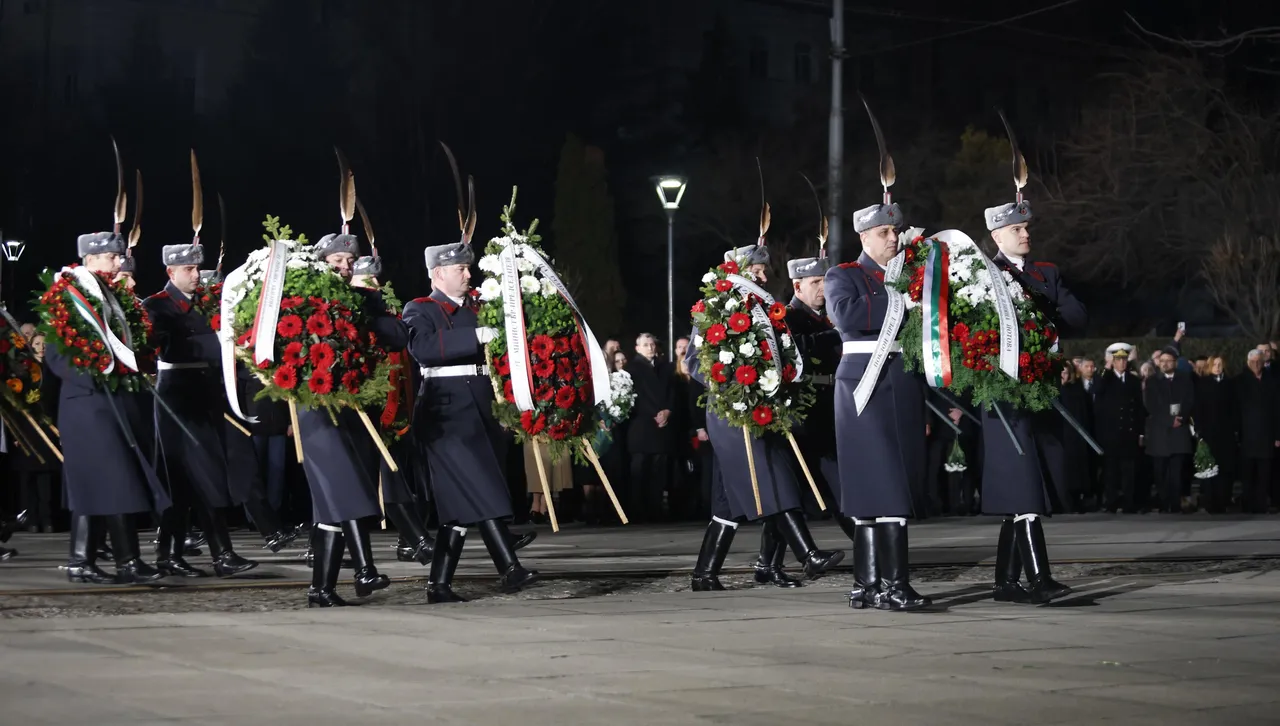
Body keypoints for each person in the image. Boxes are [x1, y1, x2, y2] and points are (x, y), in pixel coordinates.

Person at [402, 168, 538, 603]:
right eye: (458, 268)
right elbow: (421, 349)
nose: (466, 273)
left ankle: (438, 584)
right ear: (437, 274)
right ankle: (510, 568)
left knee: (461, 507)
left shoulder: (482, 305)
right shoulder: (419, 308)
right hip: (444, 411)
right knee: (482, 485)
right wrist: (475, 337)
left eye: (467, 266)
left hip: (481, 407)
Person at [685, 237, 844, 593]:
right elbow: (693, 362)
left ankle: (706, 573)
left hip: (762, 406)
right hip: (731, 409)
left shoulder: (764, 309)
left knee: (729, 500)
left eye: (763, 270)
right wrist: (734, 381)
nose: (761, 276)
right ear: (738, 271)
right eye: (754, 271)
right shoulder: (717, 306)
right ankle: (808, 554)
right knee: (775, 476)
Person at [980, 124, 1086, 604]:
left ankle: (1005, 581)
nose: (1026, 234)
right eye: (1017, 228)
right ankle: (1038, 578)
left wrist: (1040, 304)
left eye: (1027, 227)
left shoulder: (1046, 272)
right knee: (1021, 483)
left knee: (1027, 480)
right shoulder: (982, 275)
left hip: (1040, 383)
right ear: (998, 233)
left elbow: (1075, 315)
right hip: (1004, 389)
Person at [44, 223, 170, 584]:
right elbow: (57, 355)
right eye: (110, 257)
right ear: (89, 258)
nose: (117, 263)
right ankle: (89, 560)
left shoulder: (111, 296)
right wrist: (97, 374)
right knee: (103, 480)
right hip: (88, 402)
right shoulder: (68, 295)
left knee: (114, 479)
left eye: (117, 256)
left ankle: (114, 560)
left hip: (116, 398)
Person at [824, 174, 929, 610]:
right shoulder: (842, 275)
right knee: (875, 482)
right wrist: (900, 297)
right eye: (885, 232)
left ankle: (869, 584)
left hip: (900, 379)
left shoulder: (911, 274)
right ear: (865, 236)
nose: (893, 239)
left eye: (896, 231)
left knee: (897, 479)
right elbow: (848, 317)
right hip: (861, 383)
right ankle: (891, 585)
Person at [144, 234, 261, 579]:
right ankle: (203, 553)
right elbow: (171, 348)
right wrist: (222, 342)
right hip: (177, 397)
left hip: (205, 394)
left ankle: (201, 554)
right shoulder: (157, 305)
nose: (196, 274)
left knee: (202, 477)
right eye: (189, 268)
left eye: (197, 268)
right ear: (171, 271)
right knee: (186, 478)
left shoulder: (208, 302)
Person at [783, 254, 846, 528]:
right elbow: (797, 347)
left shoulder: (826, 316)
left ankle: (769, 563)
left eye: (826, 281)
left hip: (832, 405)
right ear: (798, 287)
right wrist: (837, 333)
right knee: (821, 487)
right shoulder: (788, 316)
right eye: (816, 282)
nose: (824, 287)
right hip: (808, 411)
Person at [625, 333, 675, 522]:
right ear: (637, 348)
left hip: (661, 427)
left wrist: (668, 410)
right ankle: (638, 511)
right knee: (640, 470)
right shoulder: (632, 369)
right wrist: (653, 413)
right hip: (642, 427)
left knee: (658, 471)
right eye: (645, 345)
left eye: (652, 344)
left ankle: (655, 510)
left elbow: (673, 393)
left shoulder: (666, 368)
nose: (650, 347)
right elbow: (634, 398)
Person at [1143, 347, 1195, 513]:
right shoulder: (1152, 381)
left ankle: (1175, 503)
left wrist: (1182, 417)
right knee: (1160, 472)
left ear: (1175, 363)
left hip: (1179, 432)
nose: (1165, 364)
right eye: (1162, 361)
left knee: (1177, 472)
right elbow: (1150, 406)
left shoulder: (1185, 379)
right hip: (1160, 434)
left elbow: (1190, 401)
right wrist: (1168, 420)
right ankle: (1164, 502)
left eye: (1168, 361)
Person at [1095, 344, 1145, 512]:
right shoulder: (1106, 379)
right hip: (1111, 434)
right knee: (1111, 472)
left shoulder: (1134, 380)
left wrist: (1140, 432)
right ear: (1113, 361)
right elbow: (1098, 392)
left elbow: (1139, 408)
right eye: (1118, 360)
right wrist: (1107, 370)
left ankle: (1129, 503)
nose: (1122, 363)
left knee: (1129, 472)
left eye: (1124, 359)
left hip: (1129, 433)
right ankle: (1111, 503)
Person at [1235, 349, 1278, 513]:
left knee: (1264, 474)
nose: (1256, 364)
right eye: (1253, 362)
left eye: (1259, 361)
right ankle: (1248, 504)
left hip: (1267, 436)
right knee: (1247, 474)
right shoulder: (1239, 382)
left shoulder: (1272, 382)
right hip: (1247, 436)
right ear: (1247, 362)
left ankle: (1261, 504)